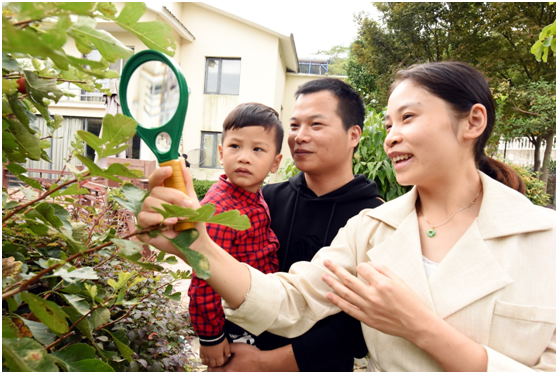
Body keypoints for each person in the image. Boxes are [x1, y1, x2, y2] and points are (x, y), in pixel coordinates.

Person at [139, 61, 556, 371]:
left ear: (473, 122)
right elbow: (290, 300)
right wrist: (197, 244)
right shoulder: (370, 231)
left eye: (408, 117)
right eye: (389, 122)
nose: (391, 135)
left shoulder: (546, 239)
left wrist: (419, 327)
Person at [149, 78, 385, 372]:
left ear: (354, 135)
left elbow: (362, 326)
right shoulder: (262, 200)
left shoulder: (375, 217)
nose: (300, 136)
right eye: (295, 125)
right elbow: (211, 267)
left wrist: (266, 363)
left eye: (316, 125)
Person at [187, 103, 283, 367]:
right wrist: (211, 337)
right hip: (232, 318)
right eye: (235, 146)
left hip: (254, 305)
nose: (244, 157)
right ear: (220, 152)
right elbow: (204, 272)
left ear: (275, 162)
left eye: (257, 149)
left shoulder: (254, 194)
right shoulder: (220, 208)